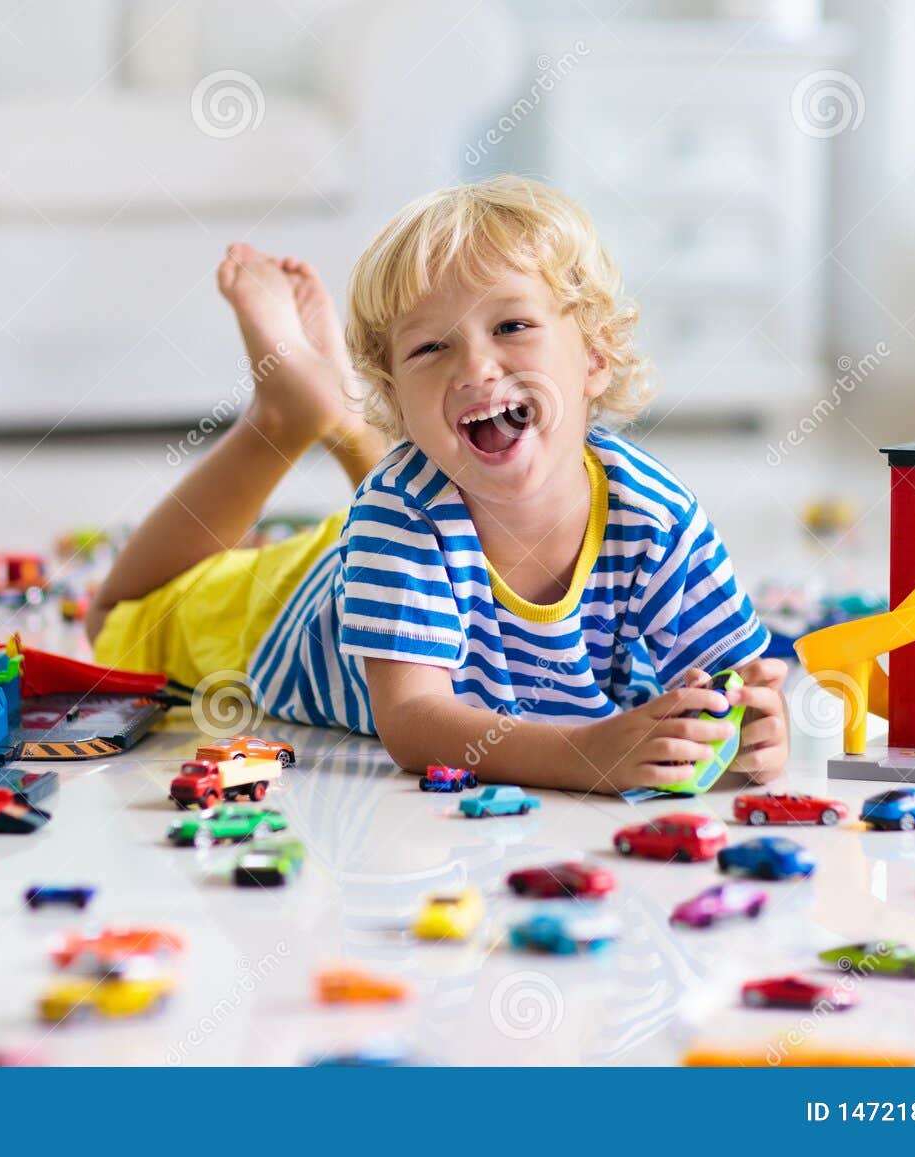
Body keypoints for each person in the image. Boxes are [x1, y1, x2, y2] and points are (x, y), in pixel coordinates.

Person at [87, 175, 787, 794]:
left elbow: (738, 680)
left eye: (512, 324)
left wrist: (756, 727)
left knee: (421, 478)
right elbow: (415, 723)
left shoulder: (656, 515)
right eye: (431, 348)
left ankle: (343, 419)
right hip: (297, 607)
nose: (477, 368)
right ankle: (282, 418)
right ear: (399, 394)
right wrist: (588, 755)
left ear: (595, 357)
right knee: (113, 618)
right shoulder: (399, 509)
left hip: (411, 547)